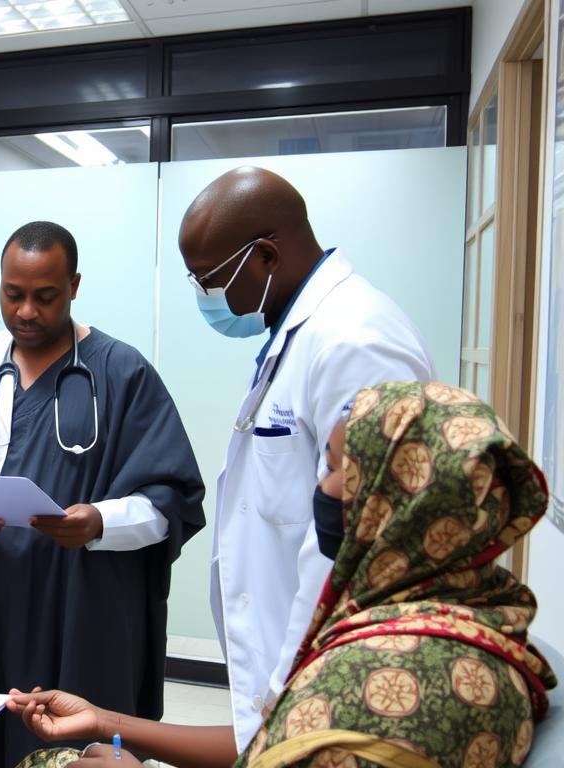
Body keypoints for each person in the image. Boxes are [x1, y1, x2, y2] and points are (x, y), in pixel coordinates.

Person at [7, 381, 557, 768]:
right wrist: (105, 722)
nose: (323, 485)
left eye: (339, 467)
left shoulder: (390, 685)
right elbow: (277, 741)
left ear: (399, 499)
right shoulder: (450, 616)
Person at [0, 221, 206, 768]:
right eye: (13, 294)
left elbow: (175, 498)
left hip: (88, 602)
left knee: (83, 743)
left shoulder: (122, 371)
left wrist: (100, 522)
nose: (26, 311)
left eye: (45, 296)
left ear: (74, 285)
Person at [179, 167, 435, 749]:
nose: (204, 297)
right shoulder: (299, 332)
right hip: (290, 670)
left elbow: (352, 543)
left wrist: (285, 682)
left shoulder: (357, 342)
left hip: (322, 670)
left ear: (266, 256)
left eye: (208, 280)